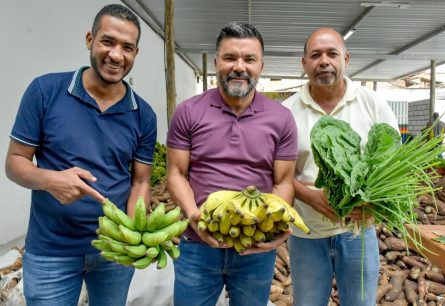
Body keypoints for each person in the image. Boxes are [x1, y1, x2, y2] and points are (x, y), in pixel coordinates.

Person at [5, 4, 157, 306]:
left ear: (136, 54)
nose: (116, 55)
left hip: (113, 252)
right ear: (90, 39)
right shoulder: (45, 91)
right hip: (51, 250)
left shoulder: (143, 115)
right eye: (108, 41)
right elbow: (14, 163)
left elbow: (140, 182)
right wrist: (50, 180)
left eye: (127, 47)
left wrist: (131, 234)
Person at [166, 22, 298, 306]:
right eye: (230, 58)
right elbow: (176, 173)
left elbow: (284, 181)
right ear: (216, 62)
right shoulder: (188, 112)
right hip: (197, 245)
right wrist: (193, 216)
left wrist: (272, 227)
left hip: (255, 248)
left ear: (261, 65)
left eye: (249, 59)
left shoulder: (281, 118)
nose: (240, 66)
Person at [282, 28, 399, 306]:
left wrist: (373, 202)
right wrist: (307, 194)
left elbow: (395, 163)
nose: (324, 61)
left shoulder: (372, 104)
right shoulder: (286, 112)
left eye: (332, 54)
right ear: (304, 63)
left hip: (358, 232)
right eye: (315, 55)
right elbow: (277, 173)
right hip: (306, 234)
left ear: (345, 59)